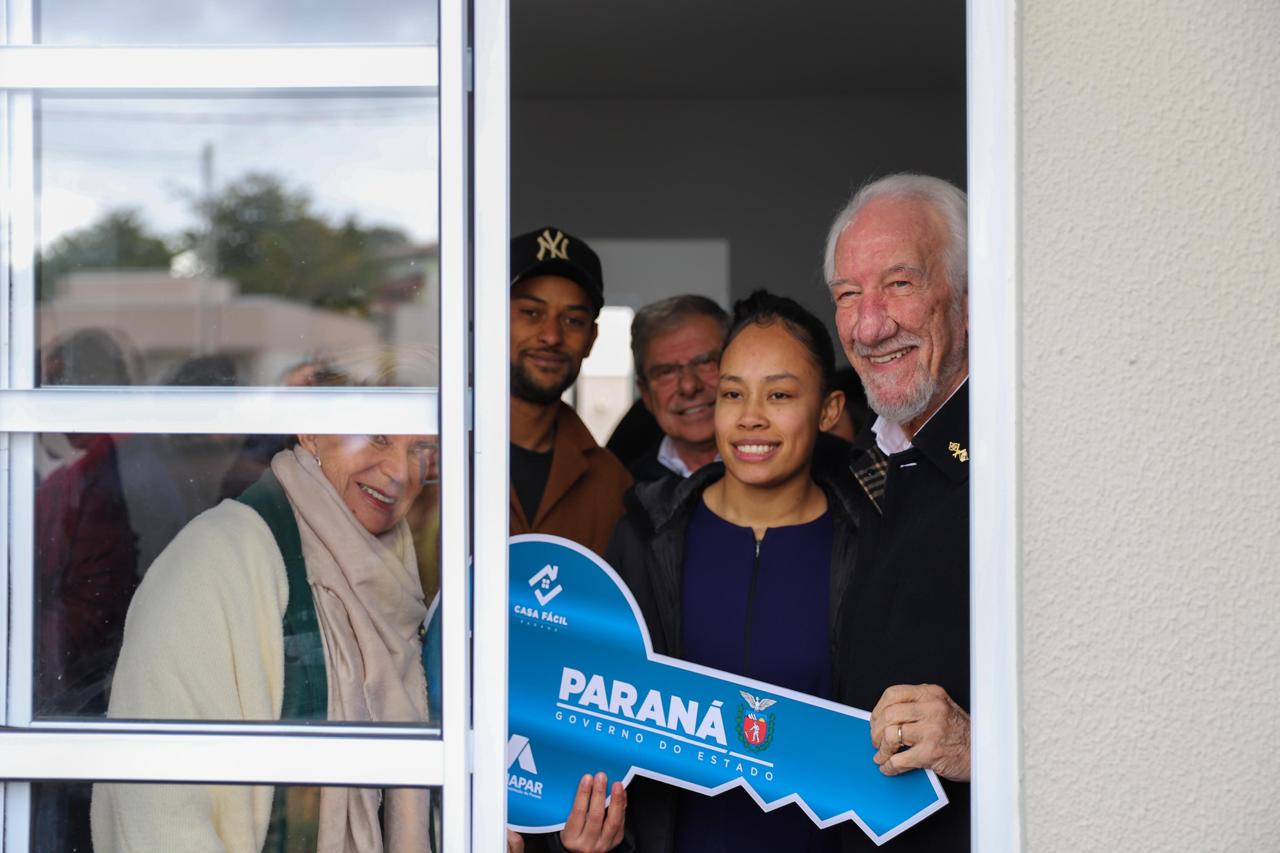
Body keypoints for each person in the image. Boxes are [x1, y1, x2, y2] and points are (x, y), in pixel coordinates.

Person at [92, 349, 438, 853]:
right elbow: (155, 803)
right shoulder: (213, 559)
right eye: (379, 435)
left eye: (420, 449)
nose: (399, 473)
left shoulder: (398, 582)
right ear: (311, 430)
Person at [604, 290, 856, 852]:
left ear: (829, 409)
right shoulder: (646, 538)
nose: (750, 418)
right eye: (733, 393)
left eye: (781, 394)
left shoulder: (870, 547)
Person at [824, 173, 971, 850]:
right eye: (849, 295)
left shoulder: (1028, 466)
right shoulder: (858, 468)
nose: (869, 323)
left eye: (900, 284)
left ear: (967, 297)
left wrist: (978, 746)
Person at [508, 226, 632, 558]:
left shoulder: (610, 481)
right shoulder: (433, 456)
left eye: (573, 320)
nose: (551, 335)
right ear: (491, 320)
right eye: (531, 313)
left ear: (592, 339)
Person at [625, 295, 728, 483]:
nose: (689, 386)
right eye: (666, 372)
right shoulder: (622, 489)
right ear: (646, 395)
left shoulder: (787, 472)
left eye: (705, 362)